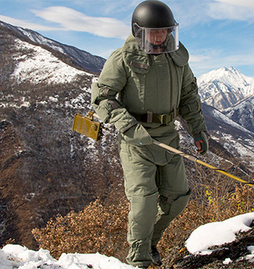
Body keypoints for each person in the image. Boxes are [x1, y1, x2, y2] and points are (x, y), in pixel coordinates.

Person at [90, 0, 208, 267]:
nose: (159, 37)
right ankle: (139, 259)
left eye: (164, 31)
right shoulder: (123, 58)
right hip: (137, 142)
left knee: (177, 199)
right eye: (153, 32)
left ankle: (149, 240)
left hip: (169, 137)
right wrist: (129, 126)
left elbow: (189, 94)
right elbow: (102, 99)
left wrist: (198, 130)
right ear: (138, 31)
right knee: (143, 202)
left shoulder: (177, 58)